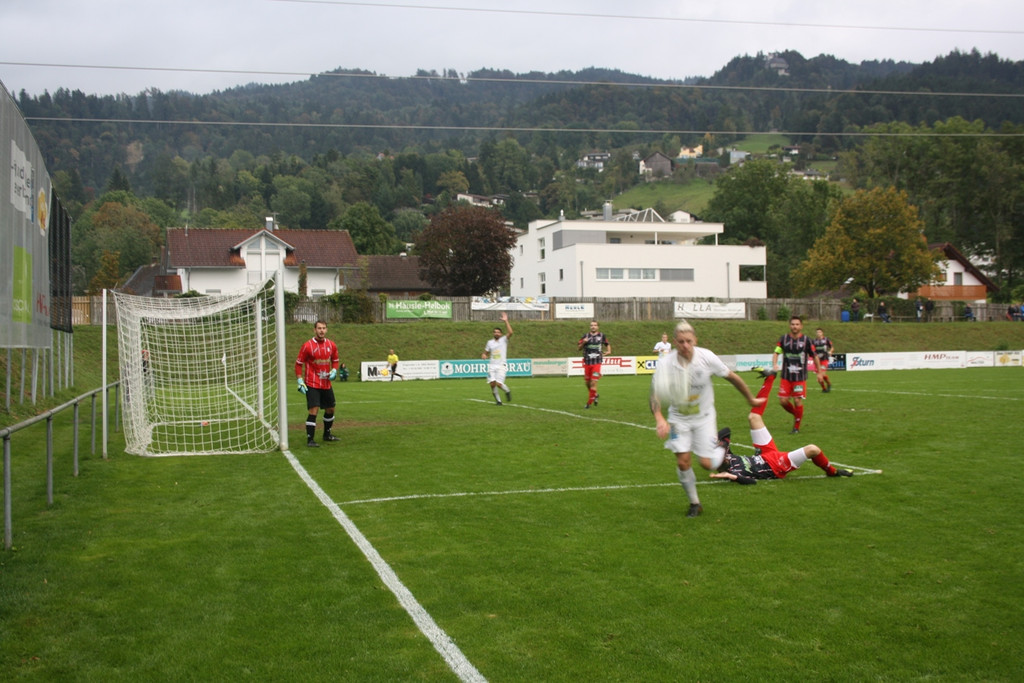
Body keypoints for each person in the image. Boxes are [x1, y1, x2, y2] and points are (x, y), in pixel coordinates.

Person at [650, 320, 766, 518]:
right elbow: (655, 395)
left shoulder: (707, 357)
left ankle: (722, 446)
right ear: (675, 343)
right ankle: (695, 503)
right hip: (679, 419)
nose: (685, 345)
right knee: (683, 462)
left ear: (695, 340)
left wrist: (750, 398)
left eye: (688, 341)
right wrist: (660, 418)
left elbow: (732, 377)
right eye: (680, 341)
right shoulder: (665, 364)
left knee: (707, 464)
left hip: (704, 418)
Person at [710, 369, 853, 484]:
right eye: (722, 457)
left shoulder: (728, 456)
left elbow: (726, 431)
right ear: (721, 465)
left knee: (753, 417)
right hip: (775, 466)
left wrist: (717, 441)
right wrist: (731, 477)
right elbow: (750, 482)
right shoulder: (734, 472)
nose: (725, 455)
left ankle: (770, 378)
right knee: (813, 449)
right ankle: (833, 472)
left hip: (764, 454)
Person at [295, 320, 340, 447]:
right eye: (319, 328)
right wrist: (299, 380)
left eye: (324, 328)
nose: (321, 330)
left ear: (326, 330)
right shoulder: (307, 346)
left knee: (331, 409)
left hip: (326, 383)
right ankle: (310, 440)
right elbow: (298, 364)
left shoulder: (331, 345)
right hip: (312, 383)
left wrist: (334, 370)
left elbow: (335, 360)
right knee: (313, 410)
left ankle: (327, 434)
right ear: (314, 330)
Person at [772, 315, 820, 434]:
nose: (795, 326)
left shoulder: (807, 340)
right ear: (790, 326)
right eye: (793, 324)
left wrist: (819, 372)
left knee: (797, 400)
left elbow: (815, 356)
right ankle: (797, 414)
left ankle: (796, 427)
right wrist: (774, 364)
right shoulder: (783, 339)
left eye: (797, 324)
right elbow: (776, 352)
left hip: (800, 376)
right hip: (786, 376)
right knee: (783, 401)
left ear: (801, 326)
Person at [578, 320, 611, 408]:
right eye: (591, 325)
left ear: (598, 327)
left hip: (597, 363)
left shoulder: (602, 335)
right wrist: (584, 343)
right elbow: (579, 348)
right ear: (590, 327)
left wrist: (609, 351)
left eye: (595, 325)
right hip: (587, 363)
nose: (593, 326)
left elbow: (607, 343)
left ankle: (589, 403)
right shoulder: (585, 336)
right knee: (587, 383)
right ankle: (595, 395)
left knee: (593, 382)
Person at [482, 312, 513, 405]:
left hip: (501, 365)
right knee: (492, 384)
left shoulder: (504, 340)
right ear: (493, 333)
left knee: (499, 384)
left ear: (501, 334)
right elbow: (486, 352)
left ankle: (507, 391)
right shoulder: (489, 342)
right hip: (492, 366)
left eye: (498, 332)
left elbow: (511, 332)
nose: (496, 333)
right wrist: (484, 355)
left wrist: (506, 321)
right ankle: (498, 401)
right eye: (495, 332)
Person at [811, 327, 834, 393]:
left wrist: (830, 351)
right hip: (817, 360)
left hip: (824, 359)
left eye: (820, 332)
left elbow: (832, 347)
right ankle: (824, 389)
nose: (818, 333)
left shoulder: (826, 339)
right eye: (817, 332)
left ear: (822, 333)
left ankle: (829, 384)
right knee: (819, 378)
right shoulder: (814, 341)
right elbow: (812, 350)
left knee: (823, 375)